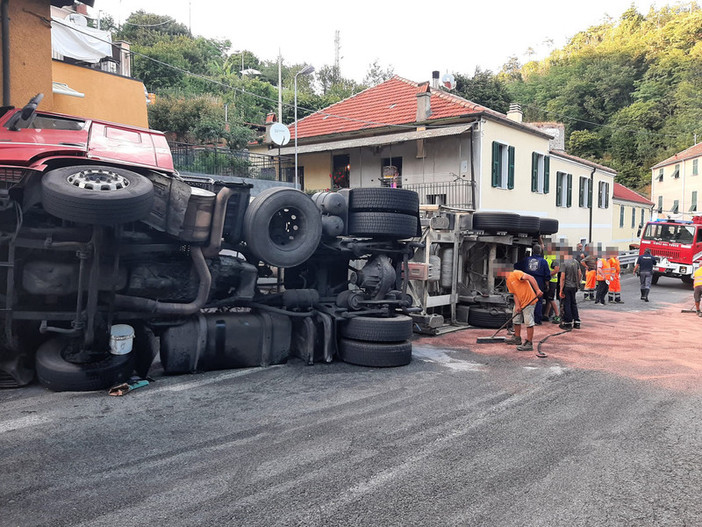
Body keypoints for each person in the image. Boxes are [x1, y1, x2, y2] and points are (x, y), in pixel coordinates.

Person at [500, 266, 543, 351]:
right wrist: (518, 306)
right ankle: (517, 337)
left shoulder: (516, 273)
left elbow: (531, 277)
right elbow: (515, 294)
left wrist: (537, 290)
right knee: (516, 319)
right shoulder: (508, 281)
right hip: (520, 301)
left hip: (529, 301)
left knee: (528, 322)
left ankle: (529, 343)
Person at [515, 244, 551, 325]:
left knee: (526, 299)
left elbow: (516, 266)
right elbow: (547, 275)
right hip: (539, 282)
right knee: (538, 300)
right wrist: (547, 284)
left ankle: (526, 319)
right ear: (540, 251)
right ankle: (537, 320)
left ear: (533, 251)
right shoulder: (543, 261)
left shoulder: (526, 260)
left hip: (527, 281)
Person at [559, 248, 582, 330]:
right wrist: (577, 283)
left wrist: (561, 289)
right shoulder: (576, 262)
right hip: (574, 286)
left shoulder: (564, 263)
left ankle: (568, 322)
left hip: (567, 286)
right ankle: (577, 321)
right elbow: (579, 274)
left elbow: (562, 277)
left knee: (567, 304)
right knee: (574, 303)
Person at [543, 242, 561, 324]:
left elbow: (556, 270)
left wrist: (547, 274)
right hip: (548, 280)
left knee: (550, 298)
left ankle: (557, 315)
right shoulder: (546, 256)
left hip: (552, 281)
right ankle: (546, 315)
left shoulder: (554, 258)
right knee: (548, 299)